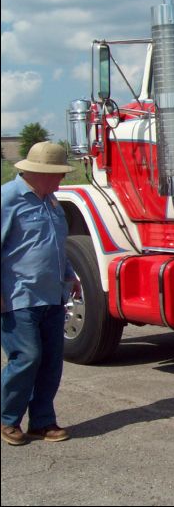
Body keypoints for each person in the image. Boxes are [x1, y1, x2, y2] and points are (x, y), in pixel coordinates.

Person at [1, 141, 80, 446]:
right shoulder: (8, 199)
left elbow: (55, 246)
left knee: (50, 360)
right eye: (57, 174)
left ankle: (42, 421)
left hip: (52, 296)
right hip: (17, 296)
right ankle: (7, 419)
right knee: (27, 357)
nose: (61, 180)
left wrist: (69, 275)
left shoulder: (51, 202)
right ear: (38, 173)